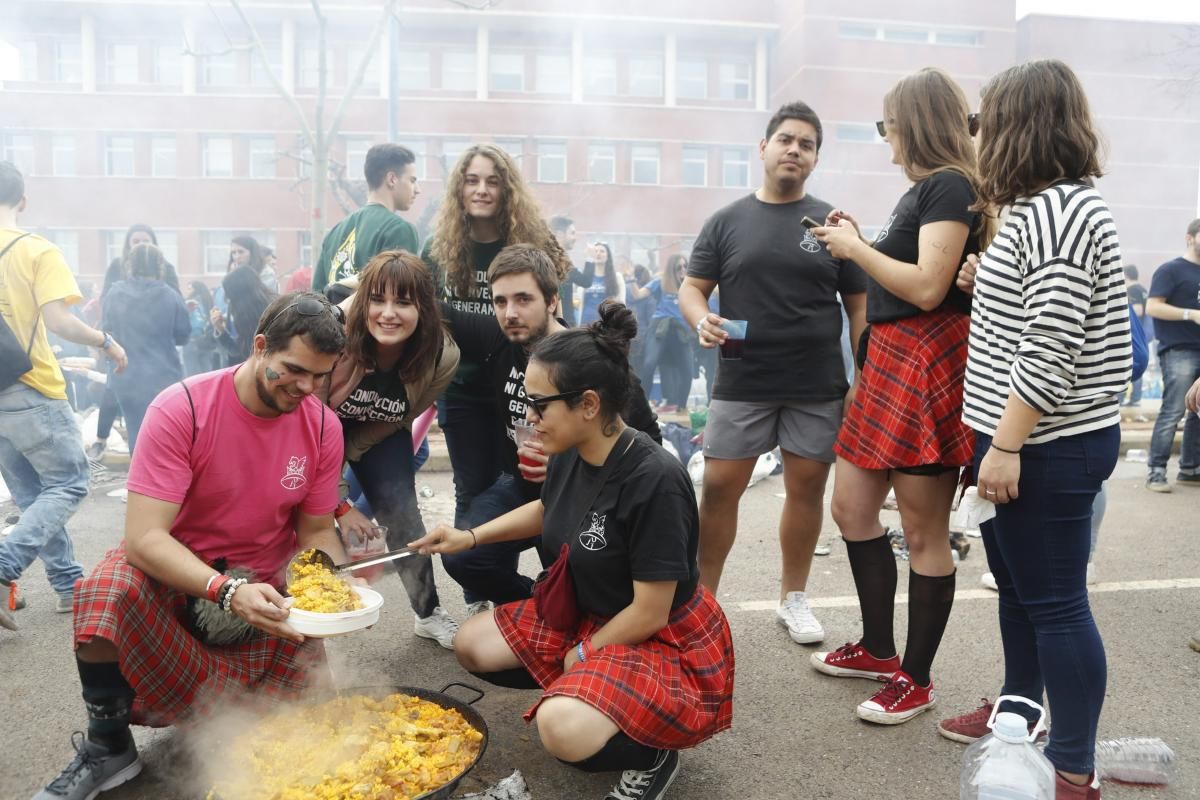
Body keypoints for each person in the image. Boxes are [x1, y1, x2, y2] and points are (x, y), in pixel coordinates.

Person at [32, 292, 348, 800]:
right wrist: (224, 590)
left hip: (266, 596)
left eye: (320, 376)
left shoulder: (321, 425)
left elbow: (314, 533)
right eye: (293, 370)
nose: (306, 389)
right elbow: (144, 537)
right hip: (179, 582)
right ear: (260, 345)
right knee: (104, 589)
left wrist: (335, 585)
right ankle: (108, 746)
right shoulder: (183, 407)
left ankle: (235, 711)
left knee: (317, 739)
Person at [413, 301, 734, 800]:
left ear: (588, 403)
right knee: (471, 644)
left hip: (658, 635)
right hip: (590, 608)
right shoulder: (572, 448)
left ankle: (651, 754)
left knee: (559, 728)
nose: (529, 416)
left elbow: (651, 610)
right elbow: (550, 509)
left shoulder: (655, 479)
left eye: (540, 404)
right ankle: (597, 700)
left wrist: (583, 654)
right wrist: (469, 537)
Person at [934, 59, 1131, 799]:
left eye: (987, 120)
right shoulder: (1039, 212)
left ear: (1019, 125)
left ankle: (1073, 770)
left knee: (1054, 603)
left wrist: (1007, 443)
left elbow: (1051, 347)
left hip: (1044, 444)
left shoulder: (1059, 214)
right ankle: (1020, 713)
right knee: (1021, 594)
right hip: (1019, 438)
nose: (978, 135)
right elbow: (1042, 309)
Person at [807, 68, 979, 725]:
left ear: (916, 124)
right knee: (851, 507)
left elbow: (931, 287)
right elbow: (910, 271)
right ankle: (879, 650)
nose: (887, 140)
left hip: (926, 359)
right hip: (889, 363)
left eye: (889, 126)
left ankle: (916, 677)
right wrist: (865, 240)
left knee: (922, 529)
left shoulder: (952, 185)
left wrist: (855, 247)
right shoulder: (931, 190)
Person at [679, 102, 868, 645]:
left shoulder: (833, 225)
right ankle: (702, 604)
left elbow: (858, 306)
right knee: (718, 489)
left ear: (814, 159)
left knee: (805, 491)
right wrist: (701, 319)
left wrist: (863, 377)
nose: (794, 150)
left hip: (816, 382)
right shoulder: (728, 221)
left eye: (806, 144)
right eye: (786, 139)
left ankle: (794, 599)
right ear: (763, 148)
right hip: (742, 378)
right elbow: (693, 289)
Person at [437, 245, 660, 611]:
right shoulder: (499, 339)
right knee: (463, 555)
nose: (510, 313)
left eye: (524, 299)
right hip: (521, 486)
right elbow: (431, 309)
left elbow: (650, 442)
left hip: (583, 496)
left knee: (582, 590)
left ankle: (570, 617)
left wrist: (571, 460)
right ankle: (534, 607)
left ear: (553, 300)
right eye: (500, 301)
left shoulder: (592, 362)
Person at [0, 160, 128, 632]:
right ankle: (3, 564)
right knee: (70, 484)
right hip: (33, 390)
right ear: (23, 200)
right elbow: (59, 321)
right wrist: (105, 341)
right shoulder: (35, 250)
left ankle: (69, 586)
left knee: (35, 494)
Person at [422, 144, 570, 525]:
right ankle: (480, 578)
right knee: (470, 492)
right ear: (459, 189)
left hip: (521, 388)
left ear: (508, 190)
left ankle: (547, 582)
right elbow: (425, 315)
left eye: (492, 181)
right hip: (462, 390)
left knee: (531, 488)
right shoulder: (437, 249)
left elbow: (557, 319)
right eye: (471, 181)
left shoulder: (533, 244)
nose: (481, 190)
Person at [324, 251, 462, 648]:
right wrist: (339, 503)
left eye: (403, 303)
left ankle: (428, 612)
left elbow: (405, 414)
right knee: (301, 512)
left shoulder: (442, 355)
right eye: (378, 300)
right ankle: (298, 607)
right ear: (362, 302)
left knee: (401, 512)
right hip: (315, 430)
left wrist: (351, 450)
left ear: (424, 309)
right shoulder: (334, 342)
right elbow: (309, 426)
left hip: (379, 429)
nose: (388, 314)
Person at [90, 224, 181, 460]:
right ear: (159, 265)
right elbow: (183, 333)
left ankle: (138, 486)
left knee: (136, 429)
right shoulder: (170, 294)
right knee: (166, 430)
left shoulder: (115, 292)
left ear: (130, 264)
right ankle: (163, 486)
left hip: (126, 371)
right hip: (164, 374)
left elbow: (107, 327)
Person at [312, 143, 421, 292]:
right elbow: (397, 297)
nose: (417, 190)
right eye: (412, 181)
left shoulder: (334, 233)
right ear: (392, 179)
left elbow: (316, 299)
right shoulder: (399, 230)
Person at [1144, 218, 1200, 492]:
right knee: (1174, 410)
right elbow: (1153, 307)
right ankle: (1156, 471)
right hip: (1178, 350)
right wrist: (1191, 314)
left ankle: (1190, 468)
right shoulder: (1171, 270)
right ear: (1190, 237)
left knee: (1197, 412)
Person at [636, 254, 694, 412]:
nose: (682, 270)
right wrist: (629, 279)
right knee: (649, 364)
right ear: (671, 269)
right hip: (660, 326)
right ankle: (643, 405)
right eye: (678, 267)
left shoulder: (690, 285)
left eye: (685, 266)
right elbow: (638, 295)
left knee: (688, 369)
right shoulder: (660, 283)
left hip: (680, 330)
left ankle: (681, 406)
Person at [210, 264, 276, 366]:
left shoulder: (250, 318)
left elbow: (242, 354)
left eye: (231, 296)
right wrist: (220, 328)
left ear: (242, 296)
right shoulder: (273, 305)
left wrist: (222, 331)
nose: (226, 300)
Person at [550, 214, 596, 326]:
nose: (575, 238)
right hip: (559, 323)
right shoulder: (555, 260)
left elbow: (584, 281)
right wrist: (590, 258)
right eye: (572, 233)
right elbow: (585, 281)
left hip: (561, 322)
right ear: (560, 234)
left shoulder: (562, 258)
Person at [1122, 265, 1149, 406]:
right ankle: (1135, 398)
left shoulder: (1132, 290)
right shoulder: (1143, 289)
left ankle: (1124, 399)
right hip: (1142, 332)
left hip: (1132, 334)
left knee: (1129, 363)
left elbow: (1138, 310)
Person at [580, 242, 625, 326]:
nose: (598, 253)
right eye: (596, 251)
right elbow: (579, 302)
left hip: (606, 323)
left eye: (602, 251)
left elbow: (621, 303)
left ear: (608, 256)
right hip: (586, 323)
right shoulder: (585, 277)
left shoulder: (617, 277)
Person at [181, 281, 217, 376]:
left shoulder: (191, 302)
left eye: (189, 288)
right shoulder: (209, 302)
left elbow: (193, 323)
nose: (188, 291)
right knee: (207, 375)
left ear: (195, 289)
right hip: (207, 342)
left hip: (192, 341)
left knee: (192, 378)